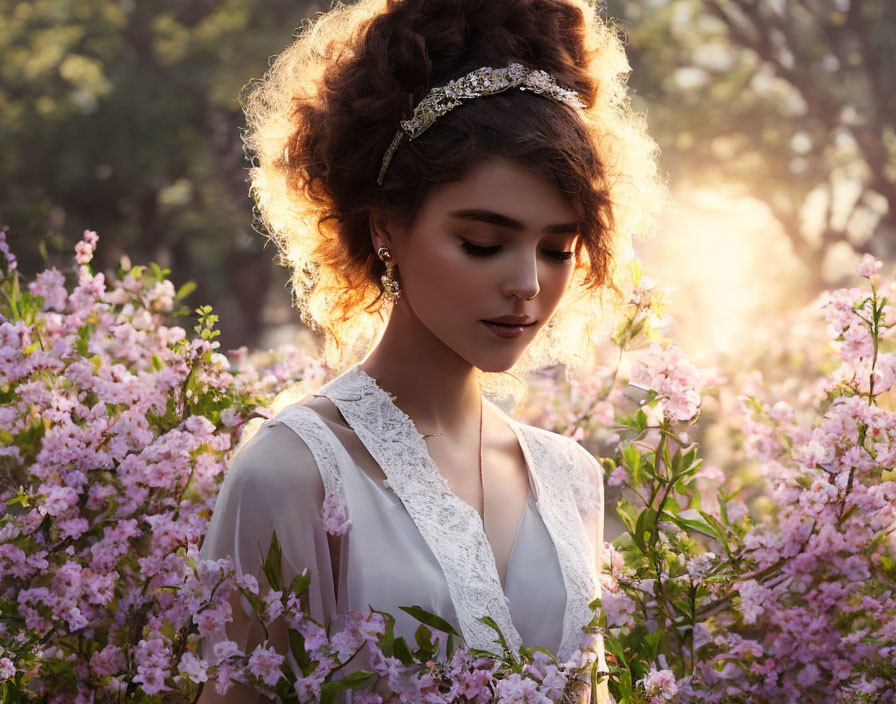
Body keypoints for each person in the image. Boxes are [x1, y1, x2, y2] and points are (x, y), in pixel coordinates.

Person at [197, 0, 663, 701]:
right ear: (386, 226)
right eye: (482, 243)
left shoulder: (569, 479)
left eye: (557, 248)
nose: (528, 285)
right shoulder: (294, 474)